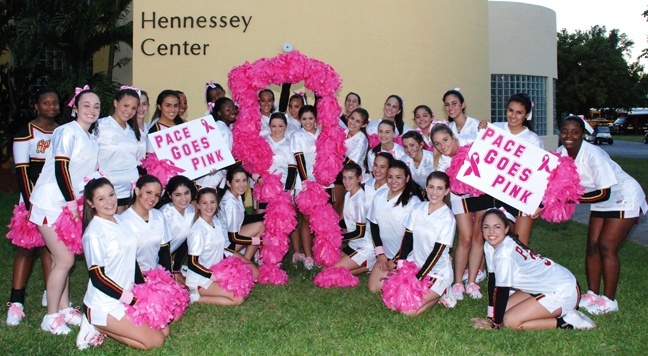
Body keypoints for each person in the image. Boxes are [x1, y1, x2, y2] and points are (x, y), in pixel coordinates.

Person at [557, 115, 647, 314]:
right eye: (564, 131)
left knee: (606, 246)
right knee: (592, 246)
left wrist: (571, 199)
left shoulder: (593, 154)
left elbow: (604, 192)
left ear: (583, 134)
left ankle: (609, 300)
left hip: (623, 195)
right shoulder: (560, 154)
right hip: (599, 200)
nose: (568, 136)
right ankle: (593, 294)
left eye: (575, 132)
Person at [29, 87, 100, 334]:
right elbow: (62, 169)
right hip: (51, 201)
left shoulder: (90, 137)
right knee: (65, 259)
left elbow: (89, 173)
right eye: (86, 105)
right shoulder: (65, 131)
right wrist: (71, 204)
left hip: (70, 203)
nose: (91, 110)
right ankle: (50, 318)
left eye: (96, 106)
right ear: (75, 108)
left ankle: (63, 307)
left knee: (67, 255)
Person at [77, 178, 168, 350]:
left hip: (127, 296)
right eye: (101, 198)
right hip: (104, 303)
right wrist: (132, 300)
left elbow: (131, 260)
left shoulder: (120, 221)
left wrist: (144, 291)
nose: (109, 201)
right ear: (91, 202)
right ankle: (94, 324)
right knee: (155, 341)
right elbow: (97, 278)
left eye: (111, 195)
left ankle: (106, 326)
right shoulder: (94, 233)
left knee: (165, 331)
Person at [472, 209, 596, 331]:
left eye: (497, 227)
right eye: (486, 227)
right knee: (501, 310)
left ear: (506, 229)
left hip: (563, 290)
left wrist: (496, 324)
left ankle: (565, 322)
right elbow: (493, 280)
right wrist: (491, 316)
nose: (491, 231)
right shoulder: (490, 245)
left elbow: (502, 291)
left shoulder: (504, 253)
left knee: (510, 321)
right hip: (545, 286)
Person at [6, 88, 58, 326]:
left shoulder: (63, 131)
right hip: (32, 199)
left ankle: (52, 293)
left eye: (54, 103)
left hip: (56, 198)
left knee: (52, 248)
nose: (51, 107)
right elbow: (22, 171)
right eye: (45, 103)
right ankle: (16, 302)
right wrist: (32, 205)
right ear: (36, 106)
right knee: (27, 249)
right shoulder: (25, 133)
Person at [431, 124, 491, 300]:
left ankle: (471, 281)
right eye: (437, 144)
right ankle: (458, 282)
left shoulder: (471, 142)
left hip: (482, 193)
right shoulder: (441, 162)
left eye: (445, 140)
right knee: (465, 237)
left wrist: (485, 127)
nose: (443, 146)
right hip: (460, 197)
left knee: (478, 236)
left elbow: (491, 144)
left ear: (453, 137)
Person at [477, 93, 544, 245]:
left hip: (520, 197)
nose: (513, 116)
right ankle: (490, 270)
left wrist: (538, 203)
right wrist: (481, 130)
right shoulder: (494, 128)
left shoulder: (533, 140)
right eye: (510, 110)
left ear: (527, 115)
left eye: (519, 112)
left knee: (519, 243)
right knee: (490, 238)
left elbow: (538, 176)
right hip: (494, 193)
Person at [396, 171, 456, 316]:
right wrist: (401, 262)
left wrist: (419, 278)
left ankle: (444, 291)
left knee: (409, 312)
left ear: (446, 191)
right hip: (415, 265)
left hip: (437, 271)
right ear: (426, 187)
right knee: (396, 304)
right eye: (431, 187)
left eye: (440, 188)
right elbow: (408, 236)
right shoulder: (418, 208)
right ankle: (436, 294)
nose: (434, 192)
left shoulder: (447, 218)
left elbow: (437, 252)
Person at [186, 187, 257, 306]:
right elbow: (192, 263)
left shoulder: (216, 222)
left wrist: (238, 257)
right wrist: (213, 276)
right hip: (201, 278)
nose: (209, 206)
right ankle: (195, 298)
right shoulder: (198, 231)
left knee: (245, 287)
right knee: (238, 298)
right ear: (198, 205)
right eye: (204, 203)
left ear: (217, 203)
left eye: (212, 202)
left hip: (217, 270)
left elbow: (221, 248)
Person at [367, 160, 422, 292]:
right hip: (386, 254)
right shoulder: (379, 196)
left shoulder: (413, 202)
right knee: (374, 288)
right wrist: (380, 254)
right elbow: (374, 225)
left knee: (399, 291)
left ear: (407, 178)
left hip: (407, 256)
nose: (393, 181)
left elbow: (413, 237)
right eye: (390, 177)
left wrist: (397, 260)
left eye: (399, 177)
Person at [96, 87, 141, 213]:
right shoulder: (100, 126)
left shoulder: (132, 131)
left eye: (133, 108)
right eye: (125, 105)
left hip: (130, 192)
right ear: (115, 103)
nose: (129, 111)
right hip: (110, 192)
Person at [119, 175, 172, 273]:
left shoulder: (159, 216)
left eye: (157, 195)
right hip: (132, 277)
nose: (152, 198)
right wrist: (143, 282)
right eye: (148, 192)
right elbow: (127, 259)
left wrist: (167, 277)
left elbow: (164, 251)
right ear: (137, 191)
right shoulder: (123, 221)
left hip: (156, 276)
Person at [290, 105, 320, 268]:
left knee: (317, 220)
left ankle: (317, 253)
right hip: (305, 184)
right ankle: (307, 256)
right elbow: (299, 159)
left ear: (316, 118)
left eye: (310, 118)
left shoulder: (322, 134)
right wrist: (306, 182)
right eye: (304, 119)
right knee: (306, 219)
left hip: (321, 183)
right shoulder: (297, 136)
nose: (307, 122)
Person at [333, 163, 374, 274]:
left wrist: (338, 236)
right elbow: (348, 222)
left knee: (332, 272)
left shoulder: (359, 199)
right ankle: (365, 266)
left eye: (351, 178)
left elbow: (360, 232)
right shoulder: (348, 195)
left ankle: (369, 265)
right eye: (344, 178)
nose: (346, 182)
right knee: (326, 267)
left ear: (359, 179)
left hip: (364, 247)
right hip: (353, 244)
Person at [217, 165, 264, 261]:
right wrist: (260, 241)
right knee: (255, 274)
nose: (242, 185)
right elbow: (233, 238)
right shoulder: (230, 204)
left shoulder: (236, 195)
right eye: (237, 181)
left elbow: (244, 219)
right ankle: (244, 261)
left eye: (244, 180)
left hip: (231, 239)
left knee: (262, 225)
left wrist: (267, 216)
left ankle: (246, 260)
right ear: (229, 183)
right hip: (225, 247)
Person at [158, 175, 197, 282]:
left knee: (189, 285)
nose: (184, 199)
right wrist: (168, 275)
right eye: (178, 195)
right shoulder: (165, 214)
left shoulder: (191, 210)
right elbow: (163, 249)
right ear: (170, 195)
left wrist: (176, 269)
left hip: (169, 260)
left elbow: (185, 240)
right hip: (154, 261)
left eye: (186, 193)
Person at [333, 107, 369, 216]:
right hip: (339, 174)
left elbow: (351, 162)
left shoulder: (361, 139)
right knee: (336, 205)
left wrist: (332, 169)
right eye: (352, 118)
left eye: (358, 121)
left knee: (344, 209)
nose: (353, 123)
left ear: (363, 125)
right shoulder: (343, 132)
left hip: (353, 176)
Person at [195, 97, 237, 190]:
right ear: (219, 113)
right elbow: (225, 158)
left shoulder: (214, 126)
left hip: (202, 177)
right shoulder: (225, 131)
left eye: (233, 108)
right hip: (213, 178)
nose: (232, 111)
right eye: (227, 110)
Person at [135, 90, 150, 162]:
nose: (141, 108)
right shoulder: (126, 130)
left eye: (144, 104)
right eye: (137, 104)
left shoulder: (151, 129)